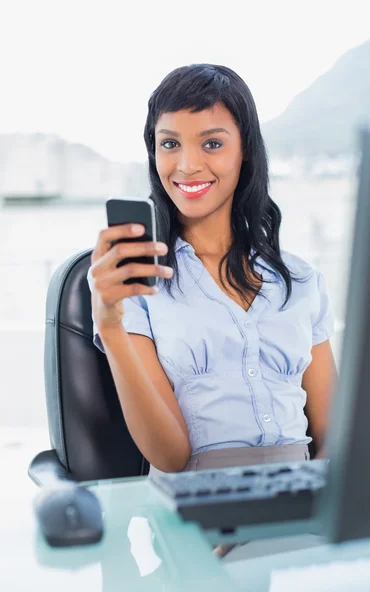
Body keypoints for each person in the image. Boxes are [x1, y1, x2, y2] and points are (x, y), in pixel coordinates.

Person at [87, 63, 338, 478]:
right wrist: (110, 328)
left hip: (301, 510)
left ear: (246, 151)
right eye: (170, 144)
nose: (186, 166)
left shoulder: (302, 282)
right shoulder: (140, 283)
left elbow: (332, 436)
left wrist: (322, 519)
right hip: (195, 509)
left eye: (212, 144)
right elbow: (170, 456)